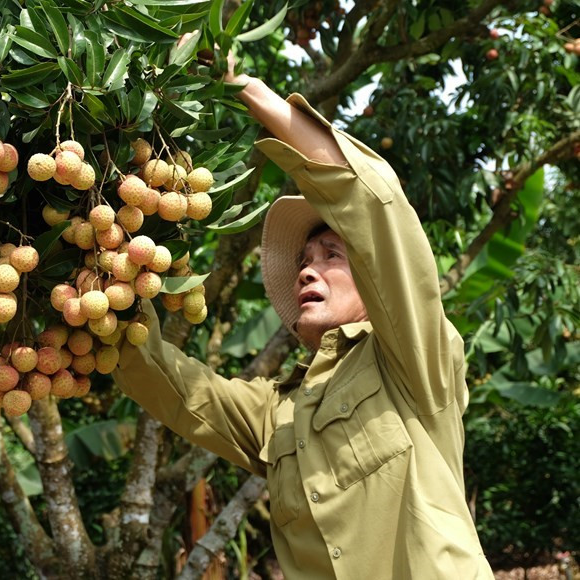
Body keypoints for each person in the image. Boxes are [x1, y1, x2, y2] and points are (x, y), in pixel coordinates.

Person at [113, 49, 495, 579]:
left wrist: (247, 90)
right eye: (303, 262)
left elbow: (372, 205)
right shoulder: (280, 411)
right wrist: (96, 277)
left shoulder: (413, 362)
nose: (307, 273)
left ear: (376, 283)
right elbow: (178, 389)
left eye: (332, 256)